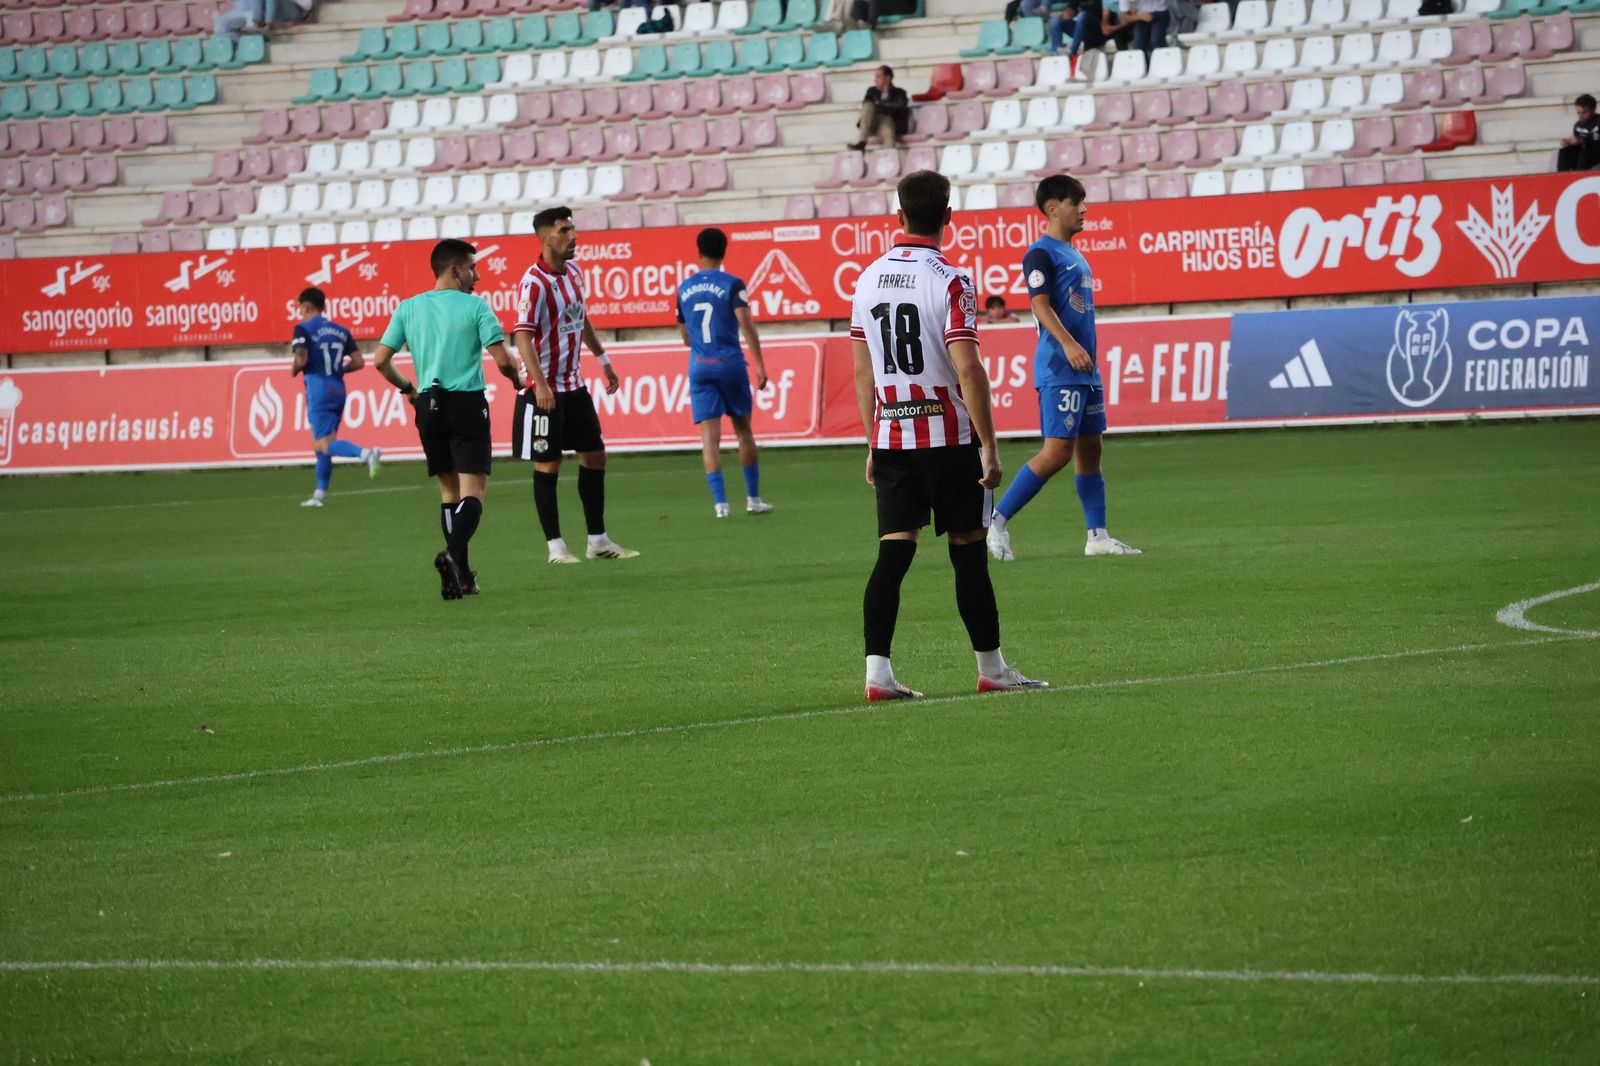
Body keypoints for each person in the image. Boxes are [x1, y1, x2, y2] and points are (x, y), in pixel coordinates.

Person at [851, 169, 1047, 701]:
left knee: (893, 553)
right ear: (948, 218)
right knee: (967, 550)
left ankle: (877, 675)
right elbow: (969, 368)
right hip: (947, 436)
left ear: (898, 217)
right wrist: (989, 443)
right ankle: (992, 669)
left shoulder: (865, 279)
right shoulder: (952, 279)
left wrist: (872, 440)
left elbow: (863, 372)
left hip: (892, 436)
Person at [988, 175, 1141, 562]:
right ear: (1053, 208)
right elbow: (1039, 306)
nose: (1084, 209)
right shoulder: (1041, 253)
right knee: (1057, 452)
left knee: (1091, 449)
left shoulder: (1075, 253)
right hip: (1061, 367)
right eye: (1077, 202)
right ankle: (996, 521)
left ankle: (1098, 536)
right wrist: (1069, 345)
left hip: (1086, 369)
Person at [372, 239, 525, 600]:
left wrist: (409, 389)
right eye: (472, 267)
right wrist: (517, 379)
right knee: (474, 492)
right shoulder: (475, 306)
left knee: (448, 491)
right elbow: (503, 360)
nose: (478, 275)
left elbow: (380, 360)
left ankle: (463, 579)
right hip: (467, 404)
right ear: (455, 270)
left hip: (428, 405)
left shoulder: (408, 308)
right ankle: (452, 557)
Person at [511, 206, 638, 564]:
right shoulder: (532, 283)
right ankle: (556, 548)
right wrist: (540, 385)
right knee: (548, 464)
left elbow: (579, 319)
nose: (574, 236)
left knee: (595, 457)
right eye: (565, 230)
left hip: (574, 385)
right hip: (544, 391)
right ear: (544, 237)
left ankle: (598, 540)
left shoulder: (576, 273)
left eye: (573, 229)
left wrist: (603, 360)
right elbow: (521, 337)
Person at [675, 227, 775, 519]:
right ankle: (753, 500)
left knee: (709, 439)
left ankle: (721, 506)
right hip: (730, 363)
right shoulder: (732, 284)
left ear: (699, 251)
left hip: (700, 366)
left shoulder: (684, 288)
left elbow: (684, 337)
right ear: (724, 252)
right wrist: (759, 363)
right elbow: (745, 324)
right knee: (743, 432)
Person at [290, 286, 379, 507]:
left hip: (318, 390)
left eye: (300, 307)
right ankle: (319, 495)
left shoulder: (302, 329)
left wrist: (293, 369)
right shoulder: (341, 330)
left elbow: (301, 358)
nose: (300, 311)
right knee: (323, 442)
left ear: (306, 306)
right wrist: (339, 371)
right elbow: (358, 362)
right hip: (338, 390)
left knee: (323, 444)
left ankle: (367, 454)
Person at [849, 65, 909, 151]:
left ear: (888, 78)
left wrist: (880, 103)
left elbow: (900, 106)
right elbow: (867, 107)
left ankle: (889, 158)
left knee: (888, 130)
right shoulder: (871, 91)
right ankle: (862, 142)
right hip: (871, 122)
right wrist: (882, 105)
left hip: (887, 122)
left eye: (878, 77)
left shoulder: (900, 92)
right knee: (868, 106)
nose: (875, 80)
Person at [1557, 93, 1598, 172]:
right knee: (1564, 152)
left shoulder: (1598, 122)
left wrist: (1582, 140)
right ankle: (1561, 177)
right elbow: (1576, 142)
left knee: (1586, 152)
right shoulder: (1578, 125)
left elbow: (1596, 139)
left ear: (1593, 110)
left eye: (1584, 112)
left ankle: (1580, 176)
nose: (1580, 116)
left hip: (1595, 154)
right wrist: (1568, 142)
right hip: (1582, 155)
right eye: (1578, 113)